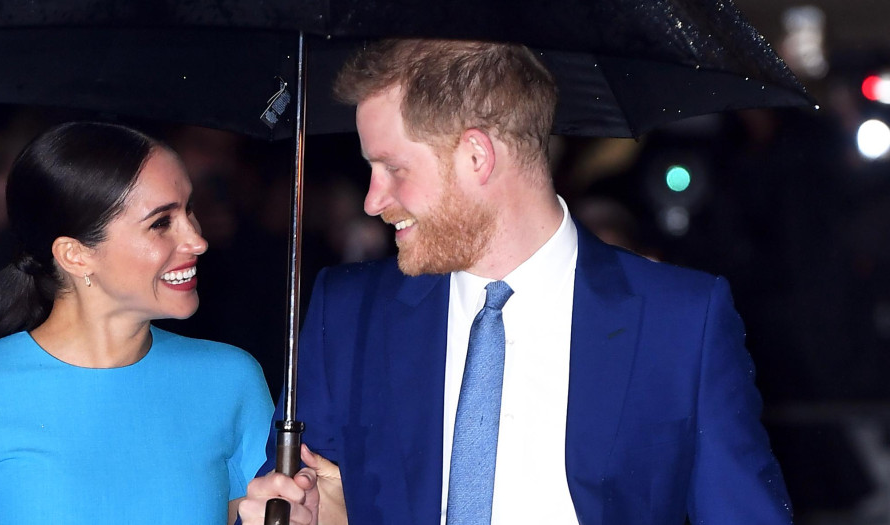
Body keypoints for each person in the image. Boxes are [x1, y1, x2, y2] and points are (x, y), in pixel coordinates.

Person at [240, 39, 792, 525]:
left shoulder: (681, 320)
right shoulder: (347, 313)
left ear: (477, 155)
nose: (373, 200)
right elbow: (289, 500)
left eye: (394, 169)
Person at [0, 122, 273, 524]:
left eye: (188, 209)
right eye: (161, 223)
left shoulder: (231, 380)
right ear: (75, 255)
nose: (196, 239)